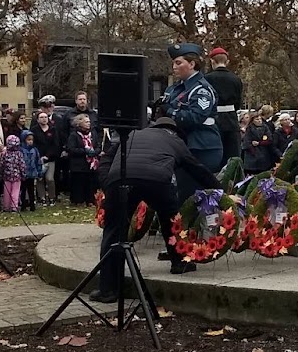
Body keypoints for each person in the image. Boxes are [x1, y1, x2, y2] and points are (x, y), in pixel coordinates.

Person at [93, 114, 220, 300]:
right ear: (175, 131)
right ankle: (179, 263)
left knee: (113, 231)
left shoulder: (132, 134)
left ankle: (108, 290)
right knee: (170, 218)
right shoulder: (175, 140)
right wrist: (220, 190)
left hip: (120, 179)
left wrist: (108, 184)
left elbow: (105, 160)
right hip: (157, 180)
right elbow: (197, 169)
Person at [161, 43, 224, 173]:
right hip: (181, 146)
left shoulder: (201, 90)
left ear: (192, 64)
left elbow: (196, 117)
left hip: (201, 148)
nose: (174, 67)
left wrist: (169, 111)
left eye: (178, 63)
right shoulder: (175, 89)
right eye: (173, 63)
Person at [206, 46, 244, 165]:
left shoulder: (207, 78)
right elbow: (238, 101)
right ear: (227, 61)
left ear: (212, 61)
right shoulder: (236, 79)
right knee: (232, 156)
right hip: (231, 119)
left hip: (214, 119)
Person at [65, 113, 100, 205]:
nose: (89, 124)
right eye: (86, 122)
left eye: (89, 122)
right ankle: (78, 200)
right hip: (78, 164)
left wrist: (95, 152)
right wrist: (85, 151)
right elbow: (71, 149)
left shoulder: (93, 133)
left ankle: (90, 200)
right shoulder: (74, 135)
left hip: (91, 164)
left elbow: (98, 145)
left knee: (91, 183)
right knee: (78, 183)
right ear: (79, 123)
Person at [33, 108, 61, 204]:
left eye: (45, 117)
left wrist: (48, 156)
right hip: (38, 158)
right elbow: (34, 144)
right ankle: (42, 197)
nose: (44, 119)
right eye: (41, 117)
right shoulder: (34, 130)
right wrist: (39, 156)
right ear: (37, 119)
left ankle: (52, 197)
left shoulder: (53, 129)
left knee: (50, 178)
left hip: (50, 158)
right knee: (40, 179)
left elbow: (56, 144)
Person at [19, 130, 44, 211]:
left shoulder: (35, 150)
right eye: (28, 140)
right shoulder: (21, 150)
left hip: (32, 173)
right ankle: (23, 205)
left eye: (31, 140)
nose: (30, 142)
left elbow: (38, 162)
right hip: (23, 174)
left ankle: (32, 204)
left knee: (31, 189)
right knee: (23, 190)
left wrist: (39, 172)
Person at [0, 133, 25, 212]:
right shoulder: (19, 154)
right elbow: (22, 165)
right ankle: (14, 206)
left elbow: (1, 165)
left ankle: (6, 207)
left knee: (6, 191)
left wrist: (0, 174)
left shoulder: (4, 153)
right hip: (16, 176)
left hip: (6, 176)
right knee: (15, 191)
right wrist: (23, 174)